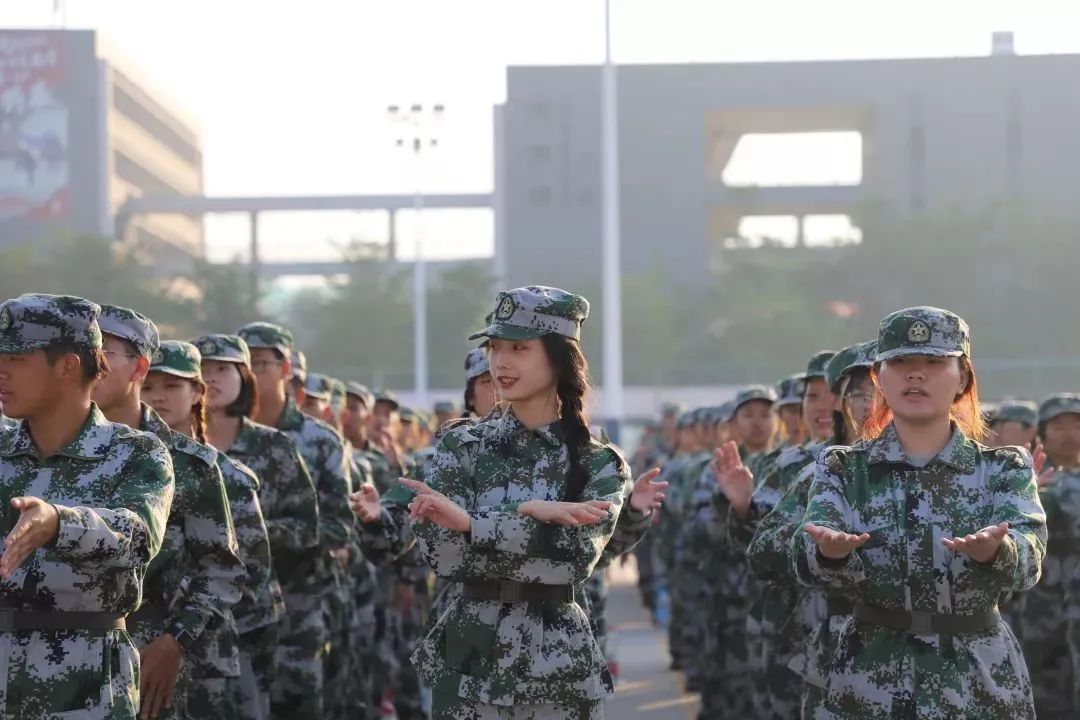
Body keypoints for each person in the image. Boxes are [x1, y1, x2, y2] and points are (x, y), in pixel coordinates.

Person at [791, 306, 1046, 719]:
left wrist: (998, 553)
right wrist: (828, 553)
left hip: (977, 679)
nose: (915, 374)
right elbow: (803, 560)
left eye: (933, 362)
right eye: (900, 362)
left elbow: (1030, 559)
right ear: (879, 378)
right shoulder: (842, 468)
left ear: (962, 377)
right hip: (871, 676)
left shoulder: (1004, 468)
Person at [401, 285, 632, 719]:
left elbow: (573, 557)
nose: (501, 362)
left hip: (557, 667)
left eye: (519, 348)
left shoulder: (597, 462)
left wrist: (473, 524)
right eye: (495, 347)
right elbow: (443, 554)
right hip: (469, 662)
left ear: (560, 358)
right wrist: (527, 514)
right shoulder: (461, 446)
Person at [0, 293, 175, 718]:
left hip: (86, 685)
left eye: (16, 359)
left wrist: (59, 523)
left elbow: (137, 537)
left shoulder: (136, 454)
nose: (0, 371)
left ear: (67, 366)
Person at [94, 306, 244, 720]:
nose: (94, 362)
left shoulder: (190, 464)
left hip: (164, 670)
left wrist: (175, 640)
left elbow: (222, 571)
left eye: (106, 352)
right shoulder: (46, 451)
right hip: (68, 668)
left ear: (138, 366)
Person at [143, 340, 279, 720]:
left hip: (207, 655)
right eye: (149, 387)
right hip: (135, 649)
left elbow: (251, 573)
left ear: (196, 392)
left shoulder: (225, 476)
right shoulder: (127, 468)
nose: (159, 398)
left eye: (172, 386)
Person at [745, 340, 878, 718]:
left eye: (878, 392)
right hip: (821, 636)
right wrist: (819, 546)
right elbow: (761, 550)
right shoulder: (820, 470)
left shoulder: (951, 467)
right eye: (858, 394)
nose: (871, 405)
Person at [195, 332, 320, 720]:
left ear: (244, 377)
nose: (211, 379)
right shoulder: (174, 448)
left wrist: (251, 531)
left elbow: (307, 528)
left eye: (222, 369)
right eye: (202, 370)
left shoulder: (275, 447)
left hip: (252, 614)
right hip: (190, 618)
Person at [237, 322, 356, 720]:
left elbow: (340, 526)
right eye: (243, 364)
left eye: (261, 363)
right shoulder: (213, 435)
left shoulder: (319, 441)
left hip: (299, 604)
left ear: (286, 369)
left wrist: (260, 536)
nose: (251, 373)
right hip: (231, 607)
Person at [723, 355, 835, 719]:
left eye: (834, 393)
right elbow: (753, 550)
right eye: (812, 396)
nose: (822, 406)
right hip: (793, 624)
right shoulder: (788, 465)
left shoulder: (877, 465)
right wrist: (742, 508)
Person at [1015, 393, 1080, 719]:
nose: (1069, 433)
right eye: (1059, 425)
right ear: (1041, 432)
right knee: (1045, 696)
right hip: (1042, 611)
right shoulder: (1023, 481)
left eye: (1077, 424)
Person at [777, 373, 810, 448]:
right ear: (780, 414)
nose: (799, 418)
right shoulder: (772, 459)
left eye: (804, 410)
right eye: (792, 411)